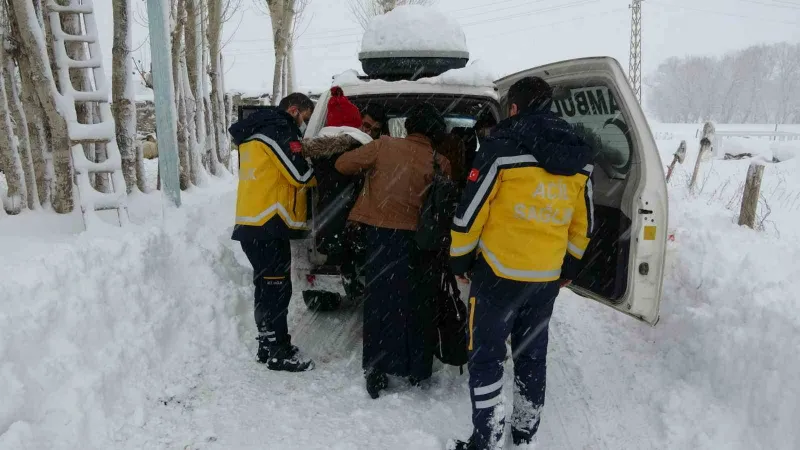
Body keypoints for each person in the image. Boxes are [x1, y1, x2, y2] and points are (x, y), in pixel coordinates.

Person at [447, 77, 594, 450]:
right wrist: (569, 268)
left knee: (487, 358)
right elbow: (584, 224)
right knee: (532, 356)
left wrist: (459, 259)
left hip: (498, 274)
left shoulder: (500, 149)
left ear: (514, 108)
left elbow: (469, 215)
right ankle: (524, 433)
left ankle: (488, 438)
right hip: (544, 278)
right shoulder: (579, 157)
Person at [334, 103, 452, 399]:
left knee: (382, 304)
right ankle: (418, 369)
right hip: (423, 243)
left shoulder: (382, 146)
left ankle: (377, 369)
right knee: (418, 304)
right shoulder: (441, 161)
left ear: (409, 125)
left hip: (383, 238)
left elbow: (342, 165)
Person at [228, 93, 316, 372]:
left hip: (255, 223)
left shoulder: (256, 130)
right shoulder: (276, 130)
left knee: (266, 288)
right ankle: (279, 351)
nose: (304, 125)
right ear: (294, 110)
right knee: (278, 290)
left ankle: (268, 345)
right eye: (305, 117)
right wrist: (319, 166)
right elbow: (298, 173)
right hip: (268, 224)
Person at [300, 87, 373, 301]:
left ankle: (342, 275)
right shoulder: (359, 151)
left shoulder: (315, 153)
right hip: (354, 222)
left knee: (335, 250)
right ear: (353, 125)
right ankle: (355, 277)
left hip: (326, 221)